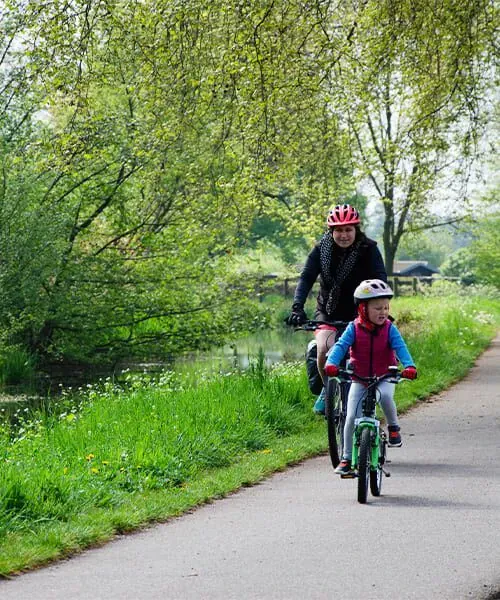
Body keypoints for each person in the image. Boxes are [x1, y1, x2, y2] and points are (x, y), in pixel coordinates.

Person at [286, 203, 387, 414]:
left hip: (361, 310)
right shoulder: (321, 250)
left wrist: (379, 309)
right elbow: (306, 279)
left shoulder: (368, 249)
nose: (343, 235)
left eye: (348, 229)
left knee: (362, 353)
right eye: (339, 230)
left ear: (356, 230)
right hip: (327, 311)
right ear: (331, 231)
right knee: (324, 349)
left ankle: (367, 397)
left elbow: (380, 281)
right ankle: (328, 390)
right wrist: (297, 308)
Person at [324, 279, 417, 476]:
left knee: (385, 397)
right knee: (350, 417)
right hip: (359, 378)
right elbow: (340, 346)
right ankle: (347, 458)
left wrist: (409, 366)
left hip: (384, 375)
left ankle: (393, 427)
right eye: (377, 308)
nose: (383, 312)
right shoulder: (354, 328)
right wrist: (331, 363)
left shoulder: (390, 328)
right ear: (363, 309)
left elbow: (401, 347)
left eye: (385, 307)